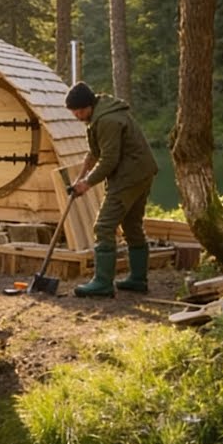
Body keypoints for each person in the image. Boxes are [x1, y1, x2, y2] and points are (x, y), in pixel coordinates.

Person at [64, 81, 159, 298]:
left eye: (78, 111)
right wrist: (86, 165)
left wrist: (87, 183)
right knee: (132, 224)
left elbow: (109, 160)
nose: (76, 116)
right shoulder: (102, 113)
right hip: (141, 171)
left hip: (129, 175)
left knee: (104, 226)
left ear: (88, 105)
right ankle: (137, 280)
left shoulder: (107, 119)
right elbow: (99, 150)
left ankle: (102, 283)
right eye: (74, 112)